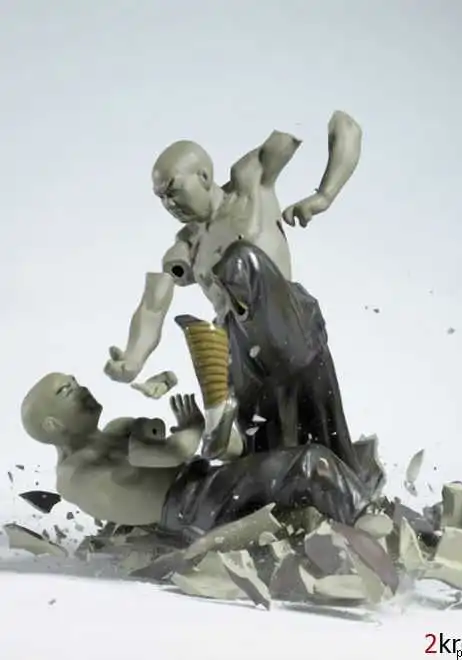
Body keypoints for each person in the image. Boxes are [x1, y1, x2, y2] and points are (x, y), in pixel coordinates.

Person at [104, 111, 363, 462]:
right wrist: (134, 358)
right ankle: (227, 416)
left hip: (290, 328)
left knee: (240, 259)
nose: (169, 204)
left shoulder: (250, 181)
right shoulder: (187, 245)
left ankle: (224, 402)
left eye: (173, 191)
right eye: (161, 198)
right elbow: (153, 304)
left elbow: (342, 124)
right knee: (267, 452)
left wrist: (324, 195)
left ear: (204, 176)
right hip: (247, 362)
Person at [20, 372, 372, 542]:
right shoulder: (73, 476)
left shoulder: (117, 428)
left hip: (202, 488)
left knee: (275, 435)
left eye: (75, 381)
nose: (81, 388)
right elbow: (173, 453)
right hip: (195, 505)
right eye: (67, 390)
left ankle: (345, 513)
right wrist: (190, 428)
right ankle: (369, 523)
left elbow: (160, 443)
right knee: (309, 463)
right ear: (53, 424)